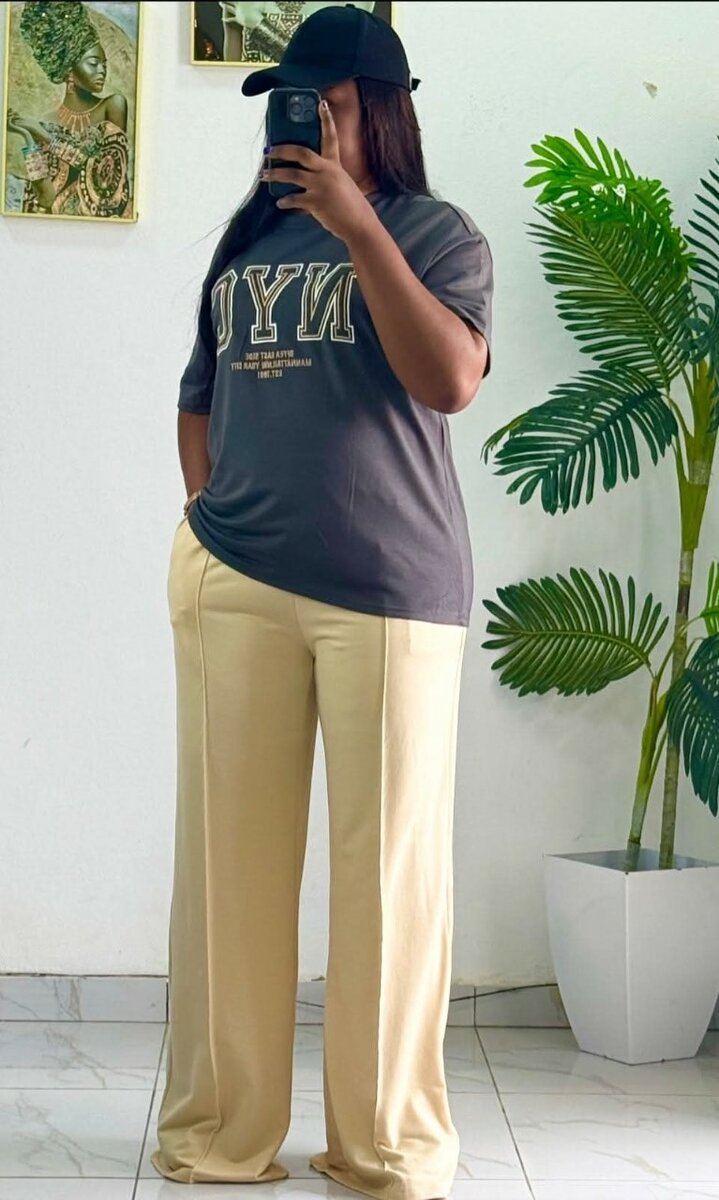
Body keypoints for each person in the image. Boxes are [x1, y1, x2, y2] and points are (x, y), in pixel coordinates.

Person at [151, 6, 493, 1199]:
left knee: (388, 879)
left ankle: (384, 1146)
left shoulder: (435, 235)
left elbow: (447, 379)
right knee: (226, 877)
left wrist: (358, 228)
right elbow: (198, 396)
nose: (300, 129)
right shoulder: (246, 242)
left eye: (325, 107)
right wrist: (210, 523)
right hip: (235, 584)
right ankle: (218, 1134)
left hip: (387, 594)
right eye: (288, 111)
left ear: (380, 112)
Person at [7, 0, 129, 218]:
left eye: (104, 64)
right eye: (93, 63)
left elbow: (106, 176)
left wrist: (43, 135)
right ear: (69, 70)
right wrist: (27, 136)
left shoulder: (113, 105)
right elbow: (45, 199)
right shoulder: (44, 122)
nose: (102, 71)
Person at [219, 0, 377, 64]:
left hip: (318, 109)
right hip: (249, 109)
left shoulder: (356, 3)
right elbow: (230, 70)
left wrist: (258, 25)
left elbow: (329, 70)